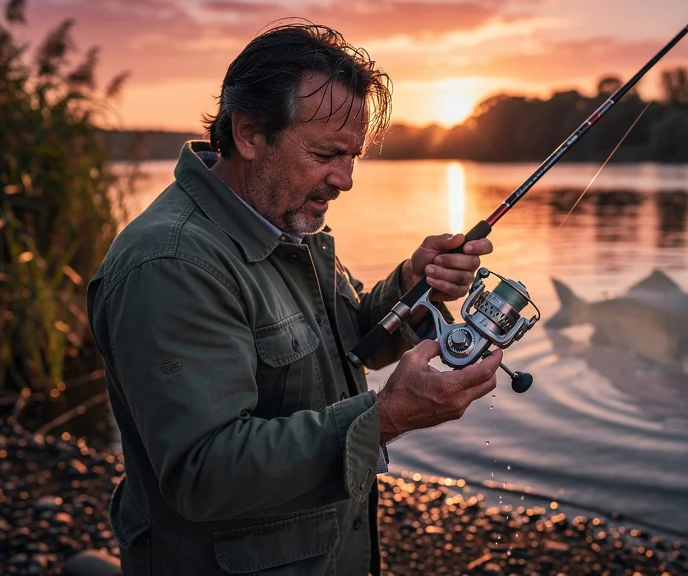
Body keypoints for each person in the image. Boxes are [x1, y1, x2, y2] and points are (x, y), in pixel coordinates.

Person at [85, 22, 503, 575]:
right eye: (328, 153)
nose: (346, 180)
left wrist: (411, 286)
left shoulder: (279, 221)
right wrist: (386, 418)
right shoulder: (172, 262)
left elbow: (345, 341)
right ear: (250, 133)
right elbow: (203, 472)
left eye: (354, 156)